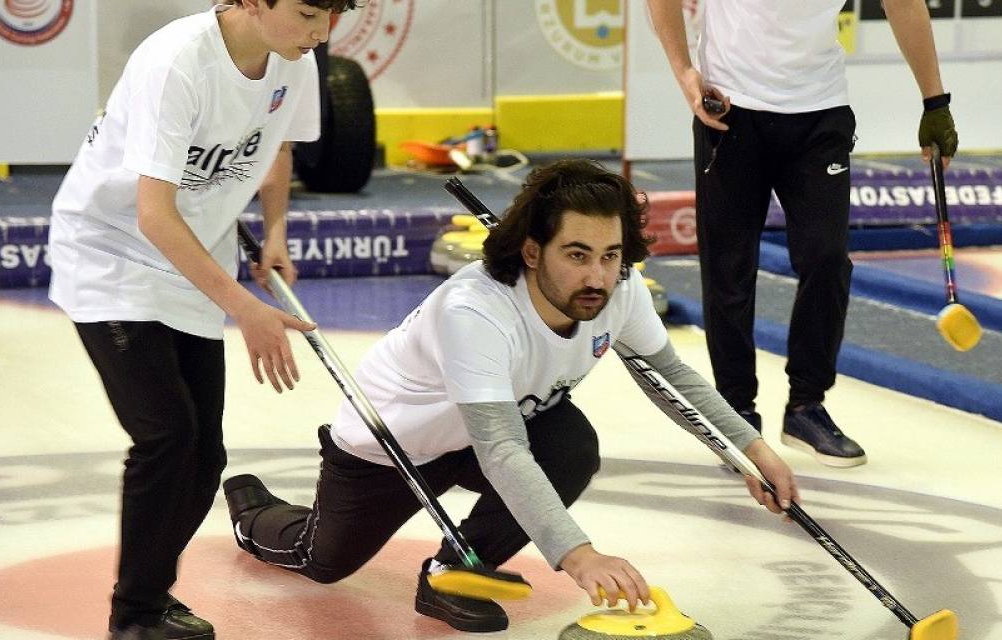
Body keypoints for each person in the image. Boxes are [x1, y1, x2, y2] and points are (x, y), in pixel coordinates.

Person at [221, 159, 800, 633]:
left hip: (494, 431)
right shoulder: (474, 309)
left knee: (570, 444)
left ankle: (452, 574)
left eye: (611, 254)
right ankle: (255, 510)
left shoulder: (617, 290)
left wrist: (750, 451)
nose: (598, 276)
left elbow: (673, 378)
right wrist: (579, 554)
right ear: (531, 251)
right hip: (392, 446)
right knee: (323, 563)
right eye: (577, 255)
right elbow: (500, 448)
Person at [46, 1, 358, 638]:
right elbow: (154, 214)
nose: (321, 32)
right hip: (112, 254)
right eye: (305, 12)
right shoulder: (176, 63)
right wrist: (244, 307)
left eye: (331, 14)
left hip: (194, 256)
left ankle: (153, 595)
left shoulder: (293, 56)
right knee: (166, 437)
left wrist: (276, 231)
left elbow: (274, 146)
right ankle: (133, 616)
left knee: (204, 455)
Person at [645, 0, 960, 468]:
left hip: (820, 112)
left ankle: (806, 407)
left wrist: (935, 102)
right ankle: (734, 410)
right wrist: (683, 70)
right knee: (729, 267)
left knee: (827, 258)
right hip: (730, 112)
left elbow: (903, 3)